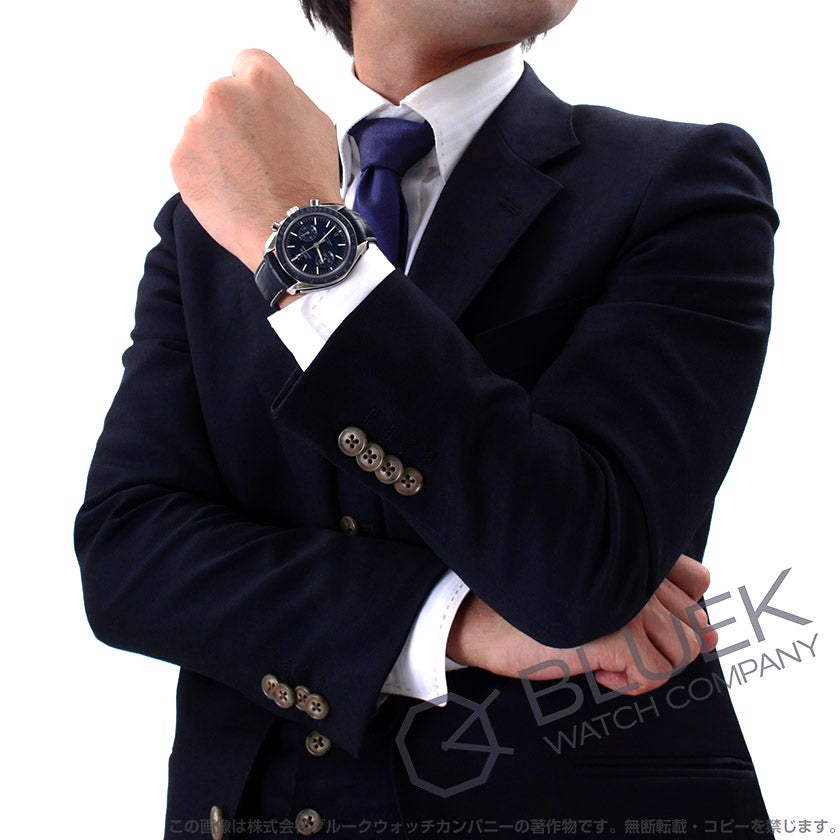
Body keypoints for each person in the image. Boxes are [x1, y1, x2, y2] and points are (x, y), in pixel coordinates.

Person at [75, 1, 777, 837]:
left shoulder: (682, 181)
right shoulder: (208, 215)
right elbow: (128, 555)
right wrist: (452, 620)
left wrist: (303, 239)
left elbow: (579, 568)